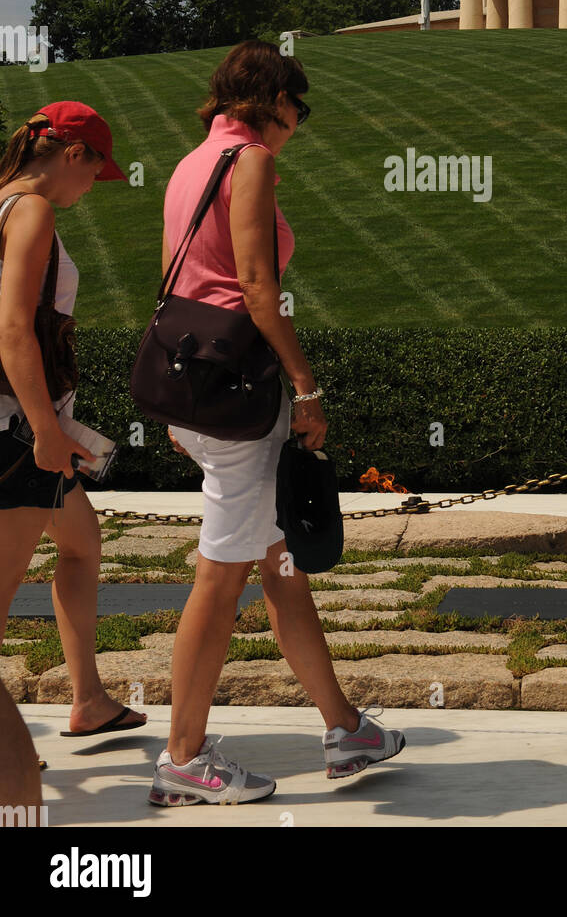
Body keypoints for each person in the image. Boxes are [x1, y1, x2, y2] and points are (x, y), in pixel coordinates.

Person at [149, 40, 404, 807]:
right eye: (299, 107)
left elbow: (178, 281)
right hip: (240, 392)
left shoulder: (195, 161)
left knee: (279, 566)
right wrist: (306, 383)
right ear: (276, 101)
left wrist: (181, 406)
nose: (299, 122)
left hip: (198, 386)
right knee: (219, 578)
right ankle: (183, 759)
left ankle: (343, 727)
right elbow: (257, 287)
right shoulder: (250, 161)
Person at [0, 104, 147, 758]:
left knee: (82, 544)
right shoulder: (32, 212)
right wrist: (43, 431)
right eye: (96, 171)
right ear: (72, 154)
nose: (93, 189)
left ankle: (88, 699)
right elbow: (13, 332)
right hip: (16, 431)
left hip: (27, 426)